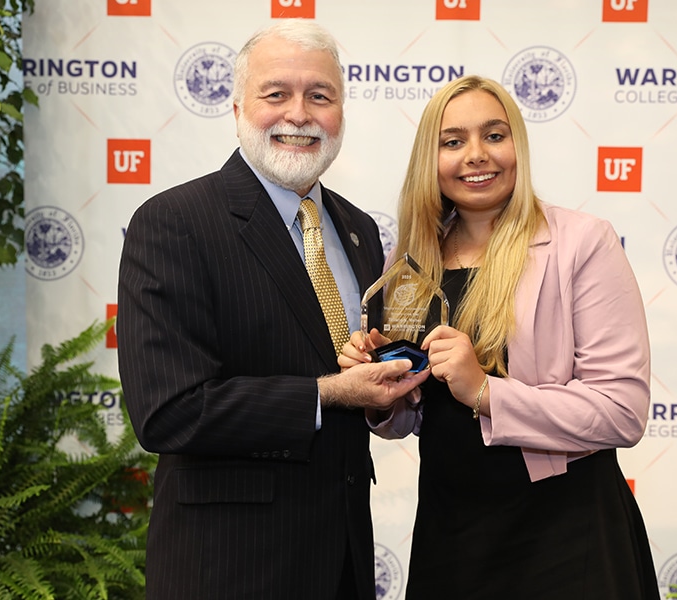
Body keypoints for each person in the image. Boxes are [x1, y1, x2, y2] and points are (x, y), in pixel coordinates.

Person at [117, 20, 429, 600]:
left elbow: (350, 371)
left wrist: (387, 389)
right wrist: (331, 393)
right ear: (237, 106)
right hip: (228, 570)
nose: (300, 114)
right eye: (276, 93)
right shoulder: (173, 223)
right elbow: (168, 411)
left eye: (320, 95)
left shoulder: (359, 229)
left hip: (343, 564)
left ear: (341, 110)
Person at [340, 75, 658, 599]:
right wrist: (379, 388)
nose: (475, 155)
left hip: (565, 533)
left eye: (494, 135)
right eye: (453, 141)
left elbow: (622, 410)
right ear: (430, 158)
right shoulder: (409, 260)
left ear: (517, 146)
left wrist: (484, 391)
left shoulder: (582, 242)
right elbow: (412, 417)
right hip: (452, 534)